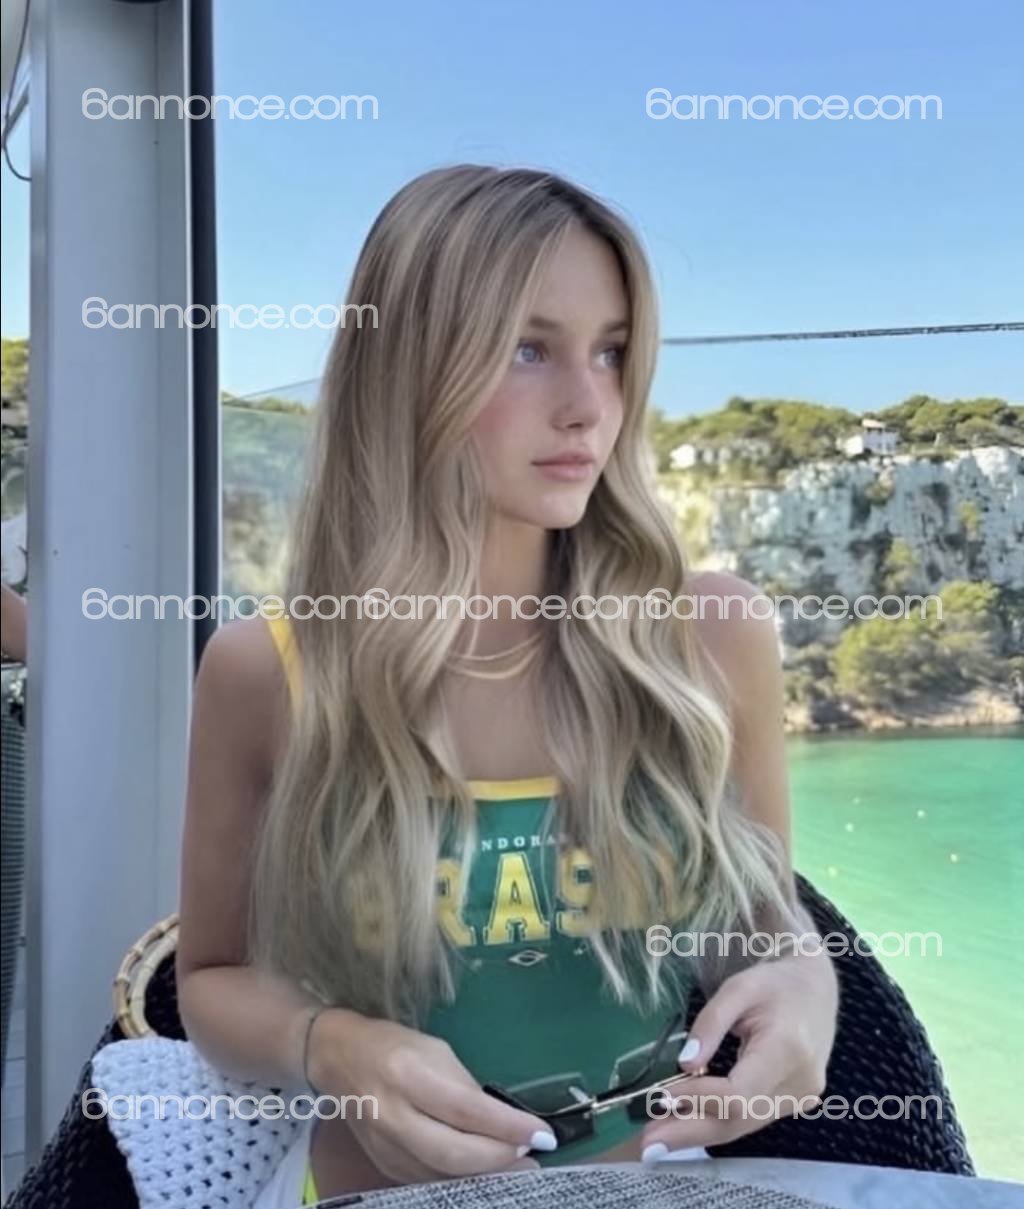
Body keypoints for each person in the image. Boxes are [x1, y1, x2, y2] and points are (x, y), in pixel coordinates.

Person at [176, 164, 838, 1207]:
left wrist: (805, 977)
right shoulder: (270, 670)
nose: (588, 405)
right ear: (406, 369)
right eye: (528, 349)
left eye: (612, 351)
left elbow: (763, 918)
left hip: (661, 1191)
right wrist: (330, 1043)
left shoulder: (712, 636)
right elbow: (209, 981)